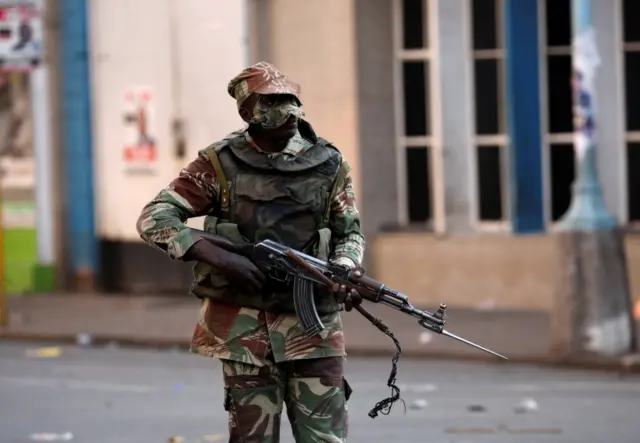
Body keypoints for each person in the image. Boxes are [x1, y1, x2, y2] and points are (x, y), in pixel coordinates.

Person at [136, 61, 366, 443]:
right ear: (247, 112)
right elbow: (154, 218)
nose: (288, 108)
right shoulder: (219, 165)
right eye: (273, 101)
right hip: (244, 332)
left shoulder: (328, 164)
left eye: (291, 98)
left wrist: (344, 267)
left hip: (314, 329)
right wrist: (214, 254)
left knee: (326, 439)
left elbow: (350, 234)